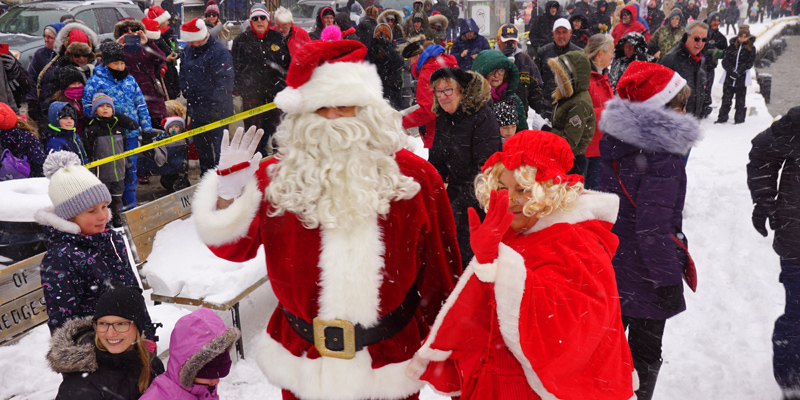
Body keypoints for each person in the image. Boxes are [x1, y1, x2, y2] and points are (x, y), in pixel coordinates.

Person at [191, 39, 462, 400]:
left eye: (344, 106)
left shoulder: (414, 178)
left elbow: (441, 274)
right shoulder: (274, 179)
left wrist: (450, 348)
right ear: (302, 116)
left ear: (368, 109)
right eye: (320, 109)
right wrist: (227, 196)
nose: (333, 117)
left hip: (389, 363)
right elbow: (233, 248)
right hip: (304, 362)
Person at [408, 129, 636, 400]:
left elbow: (572, 329)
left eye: (523, 189)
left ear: (549, 191)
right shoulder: (515, 231)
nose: (511, 198)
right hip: (495, 380)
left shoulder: (576, 241)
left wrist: (496, 266)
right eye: (503, 188)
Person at [597, 61, 699, 400]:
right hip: (646, 274)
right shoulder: (663, 156)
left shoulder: (617, 142)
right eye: (680, 106)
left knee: (606, 353)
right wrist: (668, 279)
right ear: (660, 111)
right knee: (643, 357)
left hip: (614, 266)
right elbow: (653, 227)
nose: (686, 113)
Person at [34, 151, 154, 334]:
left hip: (132, 340)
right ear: (70, 217)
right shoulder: (61, 259)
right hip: (101, 350)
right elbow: (64, 327)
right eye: (92, 211)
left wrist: (147, 334)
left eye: (105, 207)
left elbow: (133, 295)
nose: (103, 216)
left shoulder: (112, 240)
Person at [747, 107, 800, 400]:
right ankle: (792, 383)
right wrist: (764, 200)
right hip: (798, 242)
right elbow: (762, 152)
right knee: (798, 315)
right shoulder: (798, 124)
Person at [428, 67, 501, 268]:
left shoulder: (482, 118)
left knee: (467, 257)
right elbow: (437, 161)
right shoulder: (444, 117)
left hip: (480, 198)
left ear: (461, 91)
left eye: (448, 90)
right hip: (457, 192)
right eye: (438, 91)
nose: (443, 96)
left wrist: (457, 207)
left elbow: (485, 171)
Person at [47, 286, 163, 400]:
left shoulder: (152, 364)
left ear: (138, 327)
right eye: (103, 324)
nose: (110, 334)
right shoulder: (81, 385)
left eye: (120, 324)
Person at [82, 41, 152, 210]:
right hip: (108, 136)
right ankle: (111, 207)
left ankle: (131, 204)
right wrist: (109, 118)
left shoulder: (130, 81)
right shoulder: (95, 81)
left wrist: (147, 129)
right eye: (116, 63)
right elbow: (86, 107)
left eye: (122, 63)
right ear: (106, 63)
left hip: (131, 135)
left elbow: (141, 105)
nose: (120, 67)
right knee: (110, 173)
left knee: (130, 170)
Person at [140, 308, 240, 400]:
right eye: (211, 376)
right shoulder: (159, 396)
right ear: (193, 370)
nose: (216, 381)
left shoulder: (203, 387)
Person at [232, 4, 290, 155]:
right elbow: (235, 68)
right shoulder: (241, 41)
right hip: (252, 97)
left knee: (280, 138)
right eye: (255, 18)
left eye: (262, 17)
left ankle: (281, 170)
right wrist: (239, 90)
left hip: (276, 96)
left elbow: (287, 65)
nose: (259, 21)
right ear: (251, 21)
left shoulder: (278, 38)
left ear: (268, 20)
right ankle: (255, 171)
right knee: (253, 139)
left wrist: (285, 88)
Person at [179, 18, 234, 176]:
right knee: (202, 148)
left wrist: (216, 106)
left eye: (193, 41)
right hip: (197, 108)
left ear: (202, 36)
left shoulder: (219, 52)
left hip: (217, 110)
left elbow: (225, 80)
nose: (190, 44)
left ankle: (221, 177)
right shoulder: (189, 50)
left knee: (220, 148)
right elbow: (183, 70)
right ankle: (206, 177)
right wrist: (185, 88)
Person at [84, 94, 138, 227]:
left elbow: (134, 126)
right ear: (95, 110)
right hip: (101, 172)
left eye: (108, 106)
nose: (105, 109)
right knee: (102, 199)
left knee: (117, 196)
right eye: (101, 106)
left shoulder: (118, 127)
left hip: (118, 170)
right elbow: (88, 150)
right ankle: (105, 220)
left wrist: (118, 116)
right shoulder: (92, 128)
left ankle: (117, 216)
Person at [113, 18, 168, 131]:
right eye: (125, 29)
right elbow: (105, 67)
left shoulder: (147, 45)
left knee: (157, 132)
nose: (130, 32)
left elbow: (161, 58)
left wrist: (148, 43)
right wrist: (115, 48)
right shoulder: (118, 48)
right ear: (120, 33)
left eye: (134, 28)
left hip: (151, 96)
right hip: (128, 96)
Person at [401, 40, 458, 148]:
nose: (410, 63)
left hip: (438, 133)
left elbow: (429, 110)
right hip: (458, 129)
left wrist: (403, 122)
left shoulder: (426, 74)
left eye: (410, 59)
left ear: (418, 55)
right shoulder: (449, 63)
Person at [547, 50, 596, 175]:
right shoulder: (569, 97)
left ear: (570, 78)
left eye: (560, 76)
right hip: (563, 160)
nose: (555, 79)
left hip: (572, 163)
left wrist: (546, 129)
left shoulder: (579, 104)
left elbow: (568, 143)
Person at [494, 23, 548, 117]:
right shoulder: (491, 58)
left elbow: (535, 88)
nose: (510, 45)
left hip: (520, 116)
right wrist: (503, 60)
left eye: (512, 41)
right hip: (494, 117)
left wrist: (542, 109)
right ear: (498, 40)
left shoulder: (525, 60)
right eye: (506, 42)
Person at [472, 50, 529, 138]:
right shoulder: (474, 100)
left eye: (501, 71)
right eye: (492, 71)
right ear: (483, 74)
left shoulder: (513, 99)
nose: (496, 75)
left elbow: (523, 133)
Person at [584, 34, 615, 190]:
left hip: (599, 147)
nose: (613, 55)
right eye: (611, 51)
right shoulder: (584, 77)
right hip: (586, 151)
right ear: (600, 53)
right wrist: (608, 111)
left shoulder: (604, 74)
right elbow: (581, 113)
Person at [659, 20, 708, 119]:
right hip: (673, 124)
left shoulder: (699, 61)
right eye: (697, 39)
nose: (700, 43)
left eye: (704, 40)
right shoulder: (671, 59)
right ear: (686, 36)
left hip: (692, 123)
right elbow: (659, 96)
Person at [536, 18, 582, 119]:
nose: (561, 36)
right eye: (558, 32)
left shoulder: (579, 54)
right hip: (548, 106)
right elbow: (536, 80)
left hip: (572, 107)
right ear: (553, 34)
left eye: (564, 32)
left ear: (571, 33)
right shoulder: (543, 52)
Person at [716, 25, 755, 125]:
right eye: (741, 37)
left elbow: (749, 63)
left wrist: (740, 70)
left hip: (741, 77)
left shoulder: (751, 49)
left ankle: (739, 119)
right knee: (726, 98)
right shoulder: (732, 46)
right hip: (729, 76)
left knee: (740, 99)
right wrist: (731, 70)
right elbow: (725, 61)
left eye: (745, 37)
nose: (742, 39)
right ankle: (722, 118)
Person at [0, 104, 45, 177]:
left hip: (3, 181)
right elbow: (38, 158)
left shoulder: (3, 139)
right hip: (27, 178)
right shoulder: (26, 136)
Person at [366, 24, 405, 110]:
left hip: (393, 94)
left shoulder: (394, 49)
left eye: (386, 37)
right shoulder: (371, 50)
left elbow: (399, 62)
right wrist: (373, 47)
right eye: (379, 37)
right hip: (377, 92)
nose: (382, 40)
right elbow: (366, 62)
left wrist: (387, 47)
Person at [702, 12, 728, 117]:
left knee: (707, 88)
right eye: (714, 21)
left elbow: (727, 53)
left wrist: (719, 53)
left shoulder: (721, 37)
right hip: (697, 65)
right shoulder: (701, 31)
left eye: (718, 21)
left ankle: (705, 108)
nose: (716, 23)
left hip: (710, 67)